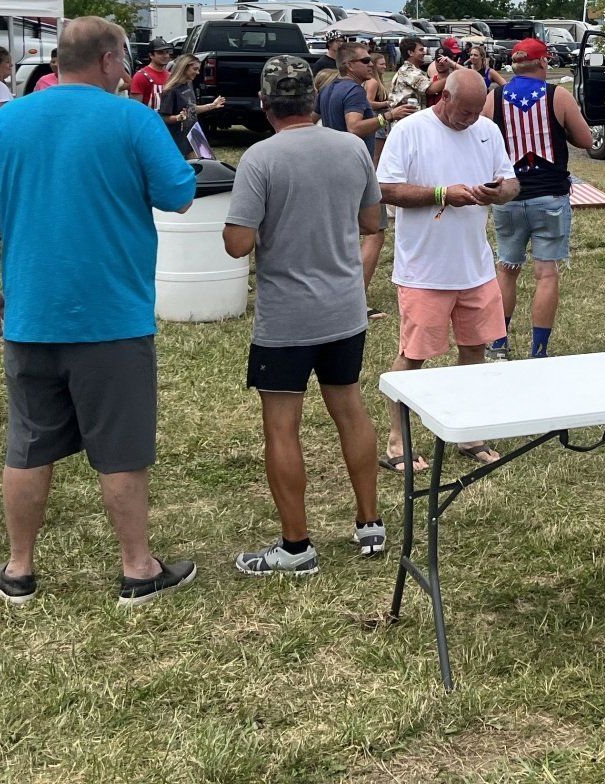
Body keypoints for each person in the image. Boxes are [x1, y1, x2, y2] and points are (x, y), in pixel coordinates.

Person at [0, 16, 199, 606]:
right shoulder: (134, 119)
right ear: (112, 60)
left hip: (30, 314)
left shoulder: (6, 121)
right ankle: (138, 570)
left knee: (28, 444)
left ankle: (18, 570)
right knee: (120, 448)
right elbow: (179, 192)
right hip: (112, 316)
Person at [222, 57, 387, 576]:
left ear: (267, 105)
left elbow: (237, 244)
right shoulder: (351, 148)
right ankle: (370, 523)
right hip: (343, 308)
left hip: (286, 316)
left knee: (282, 427)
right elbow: (371, 221)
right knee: (350, 410)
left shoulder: (259, 158)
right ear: (314, 103)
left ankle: (296, 547)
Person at [375, 68, 518, 473]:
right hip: (425, 270)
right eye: (464, 111)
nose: (470, 119)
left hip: (475, 267)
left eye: (477, 111)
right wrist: (442, 194)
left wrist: (499, 191)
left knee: (474, 351)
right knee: (414, 356)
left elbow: (511, 184)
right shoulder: (410, 131)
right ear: (443, 98)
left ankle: (466, 431)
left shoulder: (487, 130)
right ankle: (398, 442)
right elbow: (385, 189)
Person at [486, 37, 593, 359]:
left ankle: (498, 344)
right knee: (546, 273)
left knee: (507, 269)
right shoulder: (556, 96)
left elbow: (481, 139)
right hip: (549, 196)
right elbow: (586, 139)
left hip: (508, 195)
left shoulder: (495, 97)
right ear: (544, 63)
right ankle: (539, 350)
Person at [320, 43, 416, 285]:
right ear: (349, 65)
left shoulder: (328, 88)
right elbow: (354, 127)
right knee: (375, 232)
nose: (371, 64)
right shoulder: (354, 91)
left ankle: (337, 286)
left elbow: (310, 121)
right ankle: (356, 296)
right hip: (355, 171)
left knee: (343, 234)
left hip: (331, 168)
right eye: (365, 61)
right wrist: (389, 116)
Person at [157, 53, 225, 159]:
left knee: (206, 165)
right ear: (184, 68)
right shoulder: (171, 91)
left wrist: (212, 106)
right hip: (179, 139)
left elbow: (191, 109)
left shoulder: (188, 84)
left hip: (194, 134)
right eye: (195, 69)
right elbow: (163, 118)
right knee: (193, 169)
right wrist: (177, 118)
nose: (197, 72)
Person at [389, 37, 434, 112]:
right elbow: (431, 89)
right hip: (406, 120)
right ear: (410, 53)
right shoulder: (408, 71)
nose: (424, 53)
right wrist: (450, 76)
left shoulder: (411, 70)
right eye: (421, 50)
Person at [129, 39, 174, 110]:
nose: (165, 56)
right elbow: (135, 108)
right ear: (151, 55)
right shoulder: (141, 76)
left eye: (167, 52)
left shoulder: (170, 76)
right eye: (160, 53)